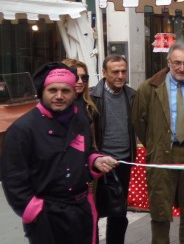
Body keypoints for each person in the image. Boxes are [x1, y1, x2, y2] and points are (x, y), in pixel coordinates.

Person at [1, 62, 118, 244]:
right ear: (42, 92)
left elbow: (88, 151)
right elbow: (13, 180)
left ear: (74, 92)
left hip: (81, 211)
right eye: (52, 90)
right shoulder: (22, 130)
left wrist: (95, 160)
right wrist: (33, 210)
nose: (59, 96)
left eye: (65, 91)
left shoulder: (80, 119)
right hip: (46, 215)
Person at [132, 43, 184, 244]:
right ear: (168, 62)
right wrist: (155, 145)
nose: (182, 68)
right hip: (161, 156)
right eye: (177, 63)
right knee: (160, 212)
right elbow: (138, 122)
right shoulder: (149, 88)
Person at [89, 54, 136, 244]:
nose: (120, 75)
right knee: (94, 212)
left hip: (123, 162)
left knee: (119, 214)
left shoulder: (132, 95)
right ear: (104, 73)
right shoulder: (92, 97)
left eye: (123, 71)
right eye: (115, 71)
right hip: (98, 165)